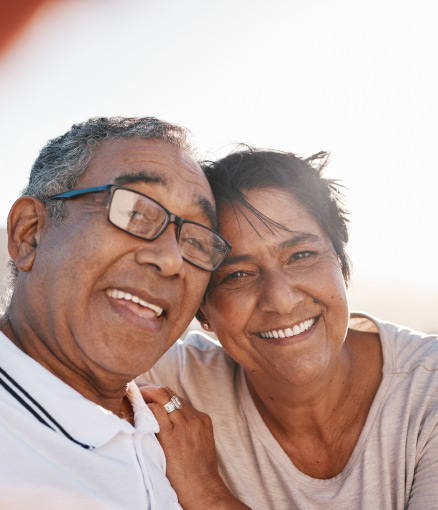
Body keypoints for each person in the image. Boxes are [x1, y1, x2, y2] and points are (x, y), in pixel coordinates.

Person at [139, 147, 438, 509]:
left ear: (342, 267)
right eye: (237, 274)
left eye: (301, 256)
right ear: (201, 310)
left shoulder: (428, 391)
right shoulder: (172, 383)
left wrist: (205, 492)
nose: (280, 300)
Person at [0, 116, 251, 510]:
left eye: (196, 241)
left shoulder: (172, 438)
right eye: (135, 212)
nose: (171, 259)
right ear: (29, 233)